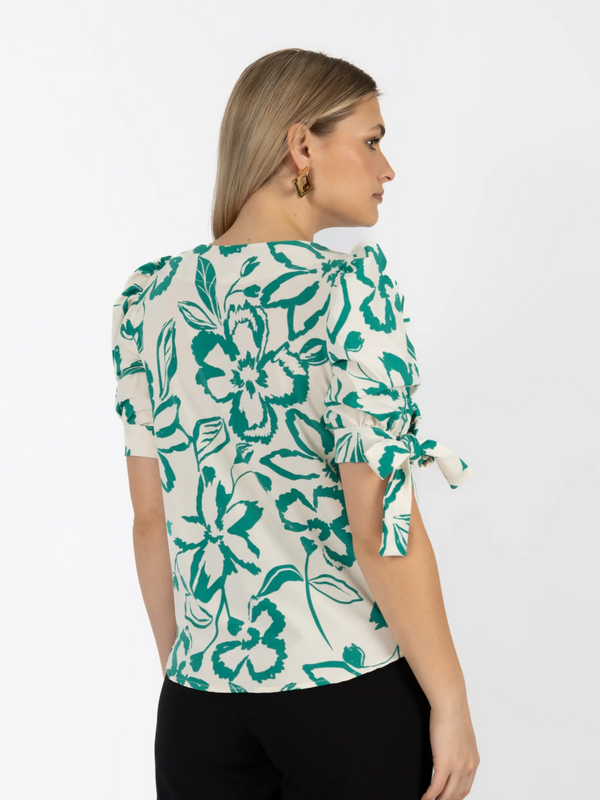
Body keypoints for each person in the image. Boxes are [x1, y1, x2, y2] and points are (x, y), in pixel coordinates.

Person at [111, 47, 480, 800]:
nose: (387, 169)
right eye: (371, 141)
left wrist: (191, 673)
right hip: (343, 695)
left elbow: (151, 519)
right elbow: (380, 525)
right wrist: (450, 700)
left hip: (197, 706)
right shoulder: (351, 293)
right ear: (301, 145)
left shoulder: (148, 300)